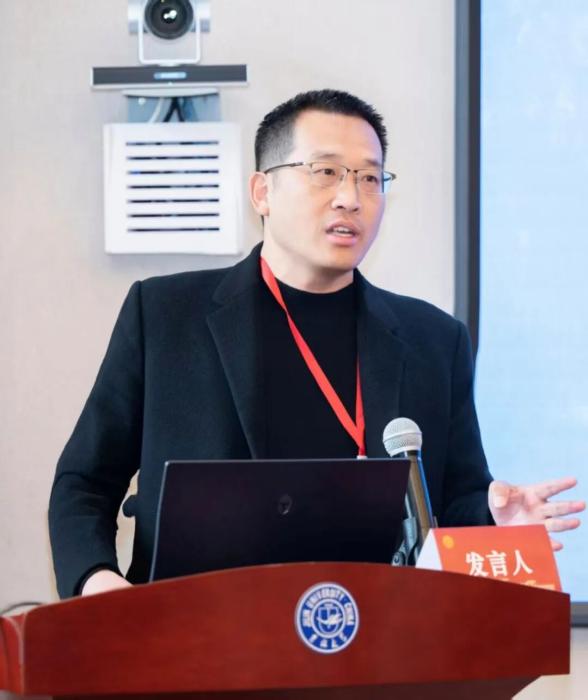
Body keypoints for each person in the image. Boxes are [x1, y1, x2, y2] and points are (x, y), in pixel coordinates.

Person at [48, 90, 585, 599]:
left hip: (373, 638)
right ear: (262, 192)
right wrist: (99, 584)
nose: (350, 198)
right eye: (325, 172)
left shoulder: (434, 340)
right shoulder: (166, 315)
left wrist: (493, 517)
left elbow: (451, 501)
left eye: (370, 178)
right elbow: (84, 482)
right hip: (195, 636)